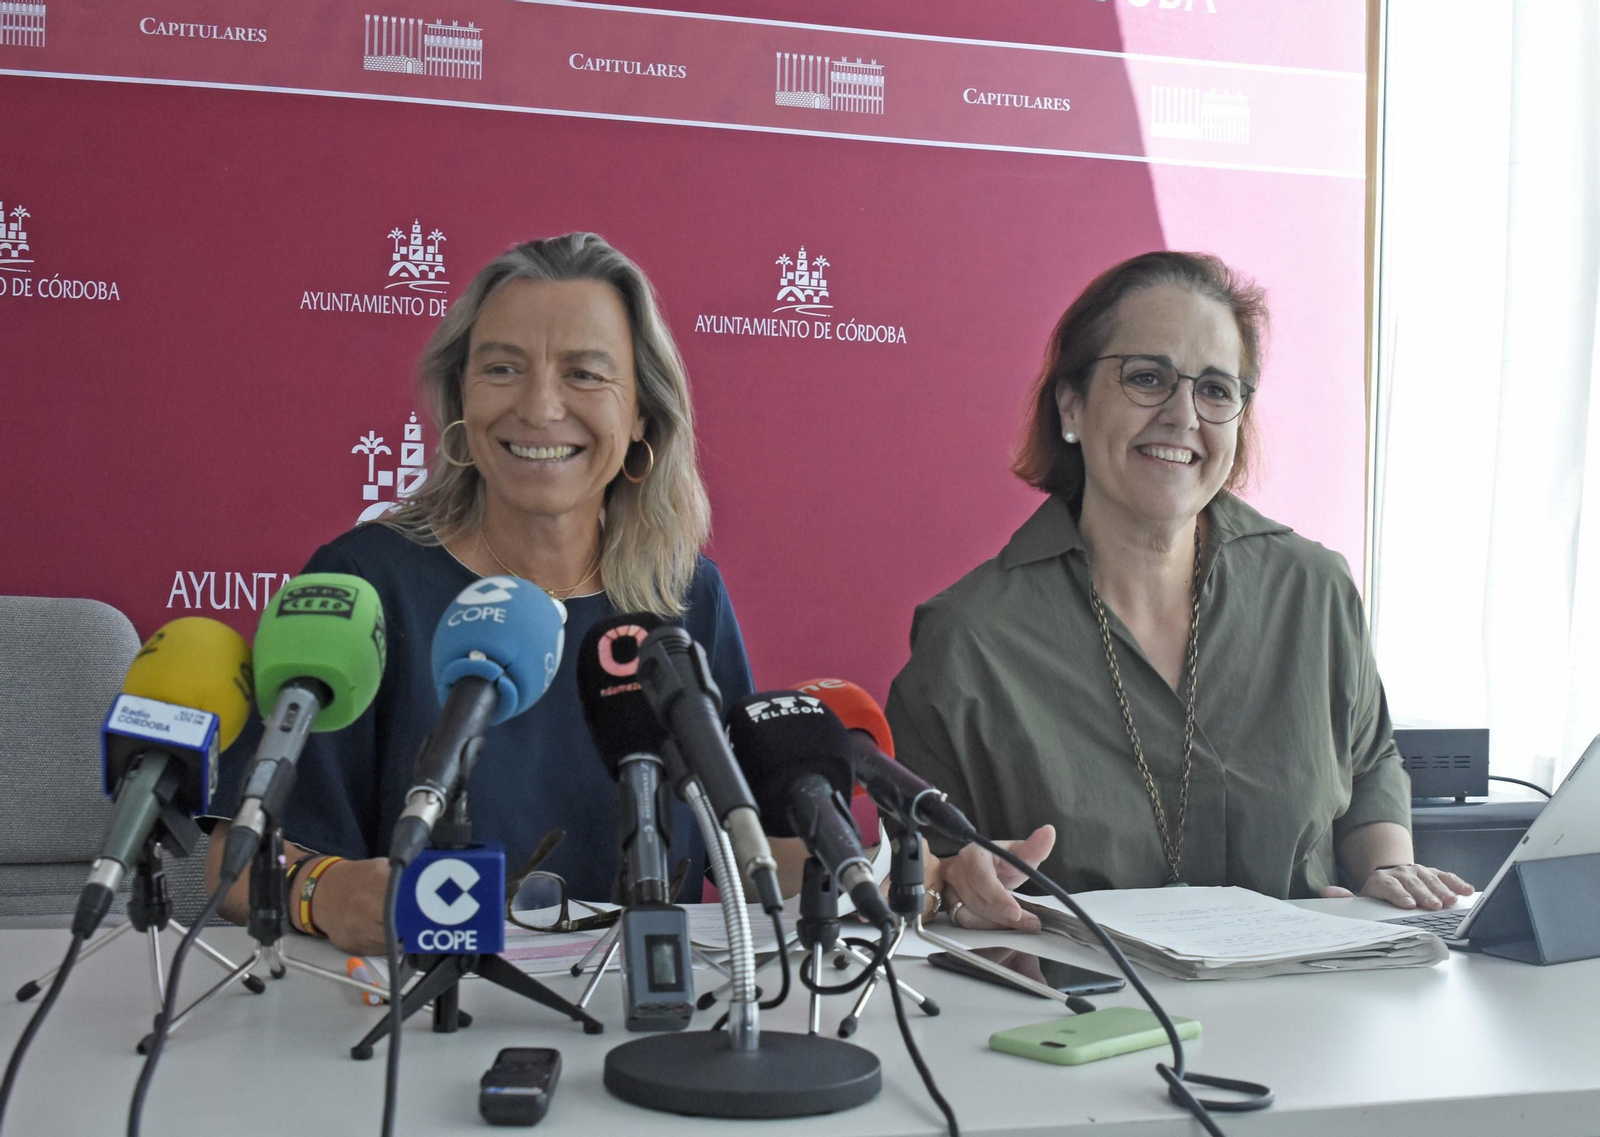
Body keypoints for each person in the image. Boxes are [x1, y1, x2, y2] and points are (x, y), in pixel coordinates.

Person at [205, 233, 757, 953]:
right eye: (502, 368)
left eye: (584, 374)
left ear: (641, 417)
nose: (540, 407)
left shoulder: (684, 597)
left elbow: (761, 851)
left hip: (632, 999)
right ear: (459, 398)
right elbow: (234, 862)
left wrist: (879, 848)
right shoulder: (365, 583)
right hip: (410, 997)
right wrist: (327, 893)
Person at [895, 251, 1473, 931]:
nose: (1183, 415)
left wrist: (1387, 868)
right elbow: (926, 873)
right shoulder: (969, 637)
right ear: (1071, 404)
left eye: (1216, 391)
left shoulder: (1313, 590)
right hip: (1078, 994)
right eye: (1147, 378)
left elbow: (1369, 763)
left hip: (1308, 989)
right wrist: (953, 886)